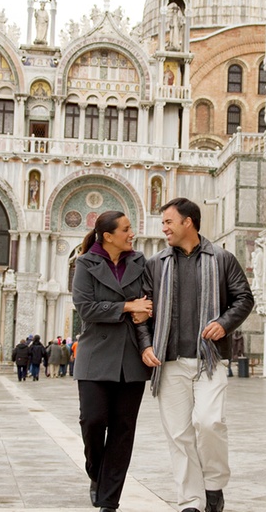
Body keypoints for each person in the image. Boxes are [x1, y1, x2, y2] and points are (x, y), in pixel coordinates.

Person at [138, 198, 254, 512]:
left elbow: (244, 298)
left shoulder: (223, 259)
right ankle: (191, 500)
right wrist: (146, 345)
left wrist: (224, 323)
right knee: (178, 434)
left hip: (210, 359)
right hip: (169, 360)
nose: (164, 229)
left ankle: (213, 485)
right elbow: (143, 313)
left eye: (168, 222)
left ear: (188, 222)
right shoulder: (155, 264)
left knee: (210, 421)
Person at [72, 210, 153, 512]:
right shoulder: (85, 263)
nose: (132, 233)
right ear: (108, 236)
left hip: (131, 358)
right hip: (95, 356)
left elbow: (149, 301)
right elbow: (85, 308)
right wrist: (128, 305)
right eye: (126, 229)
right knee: (92, 420)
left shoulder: (140, 262)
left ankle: (110, 499)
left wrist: (144, 309)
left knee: (122, 430)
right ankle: (97, 472)